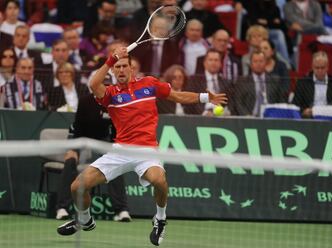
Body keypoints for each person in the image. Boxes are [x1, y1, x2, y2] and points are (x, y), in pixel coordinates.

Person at [56, 46, 227, 246]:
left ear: (132, 69)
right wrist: (111, 59)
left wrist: (206, 97)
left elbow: (178, 96)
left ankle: (160, 219)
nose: (120, 70)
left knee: (160, 180)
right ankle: (84, 219)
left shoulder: (149, 84)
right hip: (120, 151)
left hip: (147, 151)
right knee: (77, 187)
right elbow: (94, 83)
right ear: (112, 71)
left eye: (124, 66)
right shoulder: (109, 94)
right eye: (117, 67)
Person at [55, 92, 131, 222]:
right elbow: (78, 125)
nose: (104, 88)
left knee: (115, 162)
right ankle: (62, 208)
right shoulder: (85, 100)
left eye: (107, 85)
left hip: (103, 140)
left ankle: (121, 210)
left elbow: (115, 129)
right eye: (102, 84)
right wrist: (73, 149)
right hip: (81, 137)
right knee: (70, 160)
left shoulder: (114, 101)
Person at [293, 51, 332, 118]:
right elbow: (295, 104)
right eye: (317, 68)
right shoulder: (303, 82)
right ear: (312, 67)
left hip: (329, 117)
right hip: (309, 118)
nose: (320, 71)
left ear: (327, 67)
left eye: (322, 68)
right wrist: (303, 111)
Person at [231, 51, 287, 116]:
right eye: (255, 61)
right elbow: (238, 102)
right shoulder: (242, 81)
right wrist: (247, 115)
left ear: (265, 63)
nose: (258, 64)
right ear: (251, 64)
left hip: (270, 117)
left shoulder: (274, 80)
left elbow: (281, 100)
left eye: (261, 61)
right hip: (249, 117)